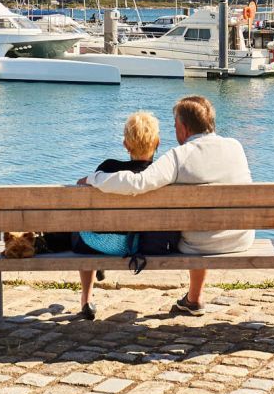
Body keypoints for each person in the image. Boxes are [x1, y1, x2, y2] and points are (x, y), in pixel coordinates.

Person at [78, 95, 253, 316]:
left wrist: (94, 178)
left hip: (199, 245)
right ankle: (194, 298)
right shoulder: (235, 147)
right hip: (241, 238)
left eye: (175, 125)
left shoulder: (179, 156)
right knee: (202, 218)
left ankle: (194, 298)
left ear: (184, 128)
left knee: (196, 226)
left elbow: (137, 182)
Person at [75, 111, 161, 320]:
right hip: (141, 244)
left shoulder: (108, 168)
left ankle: (86, 299)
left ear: (125, 144)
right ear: (157, 143)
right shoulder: (160, 173)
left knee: (83, 225)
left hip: (96, 243)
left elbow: (81, 187)